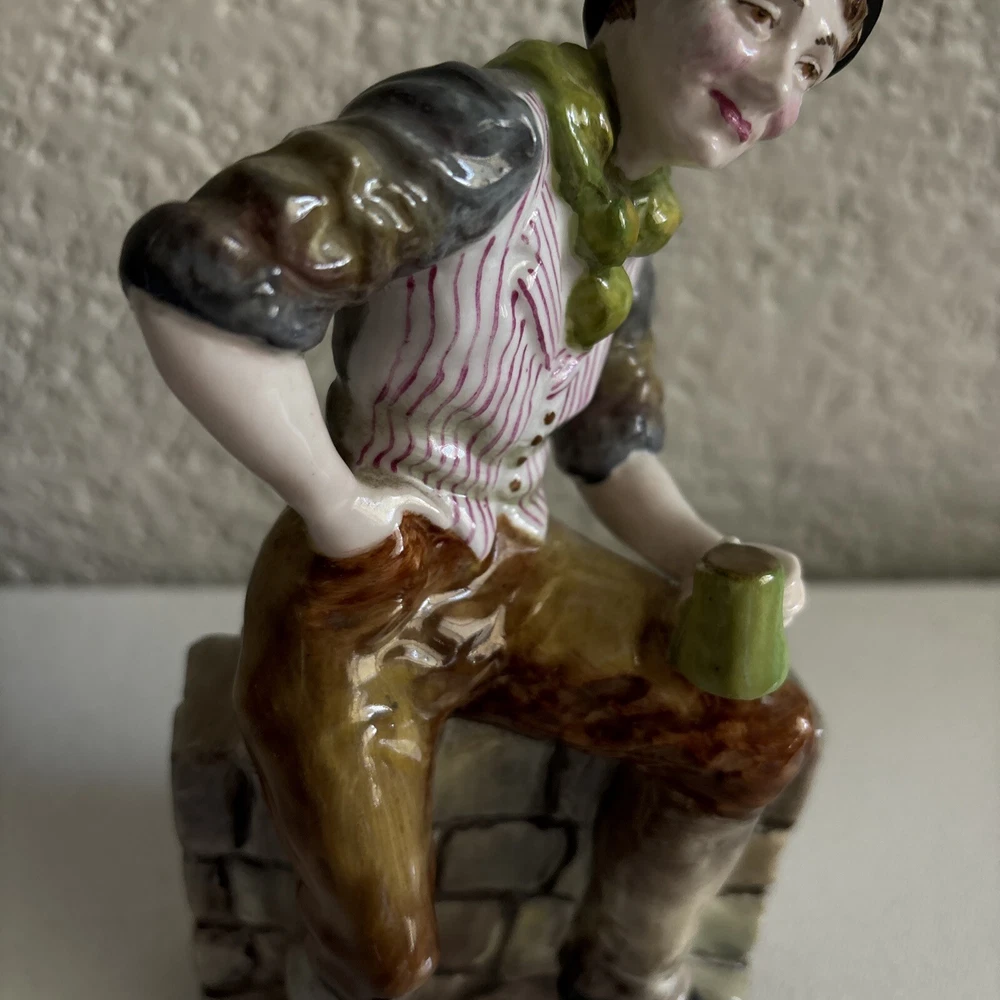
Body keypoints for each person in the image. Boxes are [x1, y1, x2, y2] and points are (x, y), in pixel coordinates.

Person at [120, 2, 882, 998]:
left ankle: (625, 971)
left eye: (816, 63)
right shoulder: (477, 137)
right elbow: (200, 272)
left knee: (759, 733)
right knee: (384, 953)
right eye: (759, 12)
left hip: (517, 565)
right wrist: (339, 504)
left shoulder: (629, 218)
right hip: (364, 593)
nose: (780, 83)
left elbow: (608, 449)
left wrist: (702, 550)